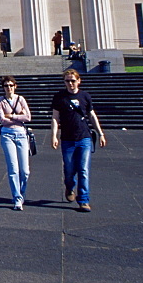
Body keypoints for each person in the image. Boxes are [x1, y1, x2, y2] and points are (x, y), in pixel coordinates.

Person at [51, 69, 107, 212]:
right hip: (67, 139)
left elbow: (92, 115)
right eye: (67, 81)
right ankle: (70, 187)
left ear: (79, 81)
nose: (70, 83)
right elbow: (55, 118)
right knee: (69, 170)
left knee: (83, 170)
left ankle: (83, 200)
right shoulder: (59, 97)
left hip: (84, 137)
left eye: (73, 80)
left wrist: (100, 133)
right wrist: (54, 135)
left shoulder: (85, 96)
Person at [0, 75, 31, 210]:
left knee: (25, 171)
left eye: (11, 85)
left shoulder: (20, 99)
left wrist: (12, 116)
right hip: (7, 135)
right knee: (13, 169)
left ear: (15, 86)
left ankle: (21, 194)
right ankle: (17, 198)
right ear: (3, 88)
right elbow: (2, 120)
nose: (9, 88)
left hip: (22, 134)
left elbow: (28, 117)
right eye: (6, 86)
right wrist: (19, 117)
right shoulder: (0, 101)